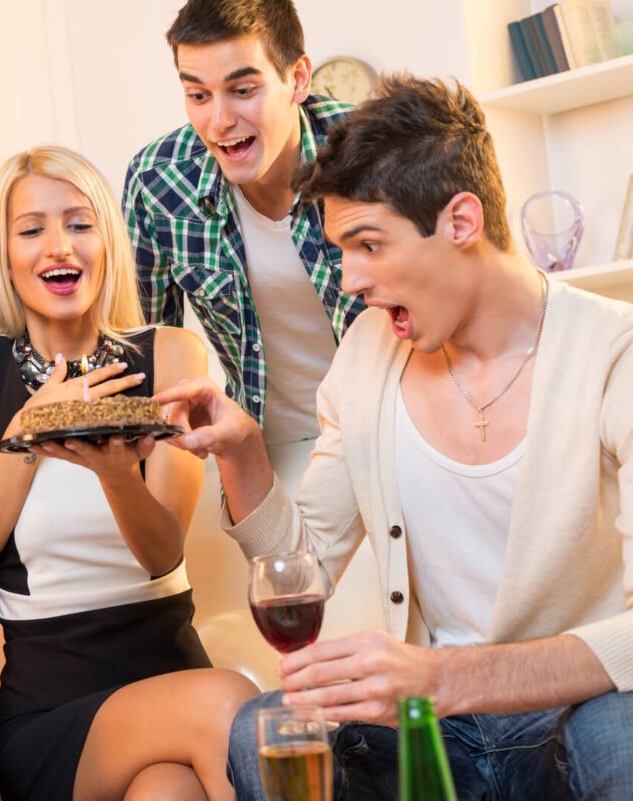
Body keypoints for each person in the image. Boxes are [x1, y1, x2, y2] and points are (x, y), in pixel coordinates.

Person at [157, 75, 633, 800]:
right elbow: (302, 564)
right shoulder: (367, 358)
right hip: (439, 730)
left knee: (621, 732)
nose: (348, 280)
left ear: (461, 221)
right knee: (271, 725)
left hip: (571, 718)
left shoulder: (613, 356)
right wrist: (244, 455)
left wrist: (442, 678)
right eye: (341, 249)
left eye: (369, 244)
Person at [0, 145, 257, 801]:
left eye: (79, 223)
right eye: (32, 229)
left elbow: (162, 553)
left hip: (169, 673)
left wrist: (115, 475)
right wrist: (30, 426)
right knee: (233, 700)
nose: (59, 247)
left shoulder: (170, 351)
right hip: (52, 715)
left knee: (170, 792)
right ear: (6, 252)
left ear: (107, 238)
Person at [123, 0, 366, 447]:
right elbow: (147, 348)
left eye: (243, 90)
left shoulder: (370, 151)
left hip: (391, 431)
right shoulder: (158, 182)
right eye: (198, 95)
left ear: (297, 78)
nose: (219, 121)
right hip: (266, 448)